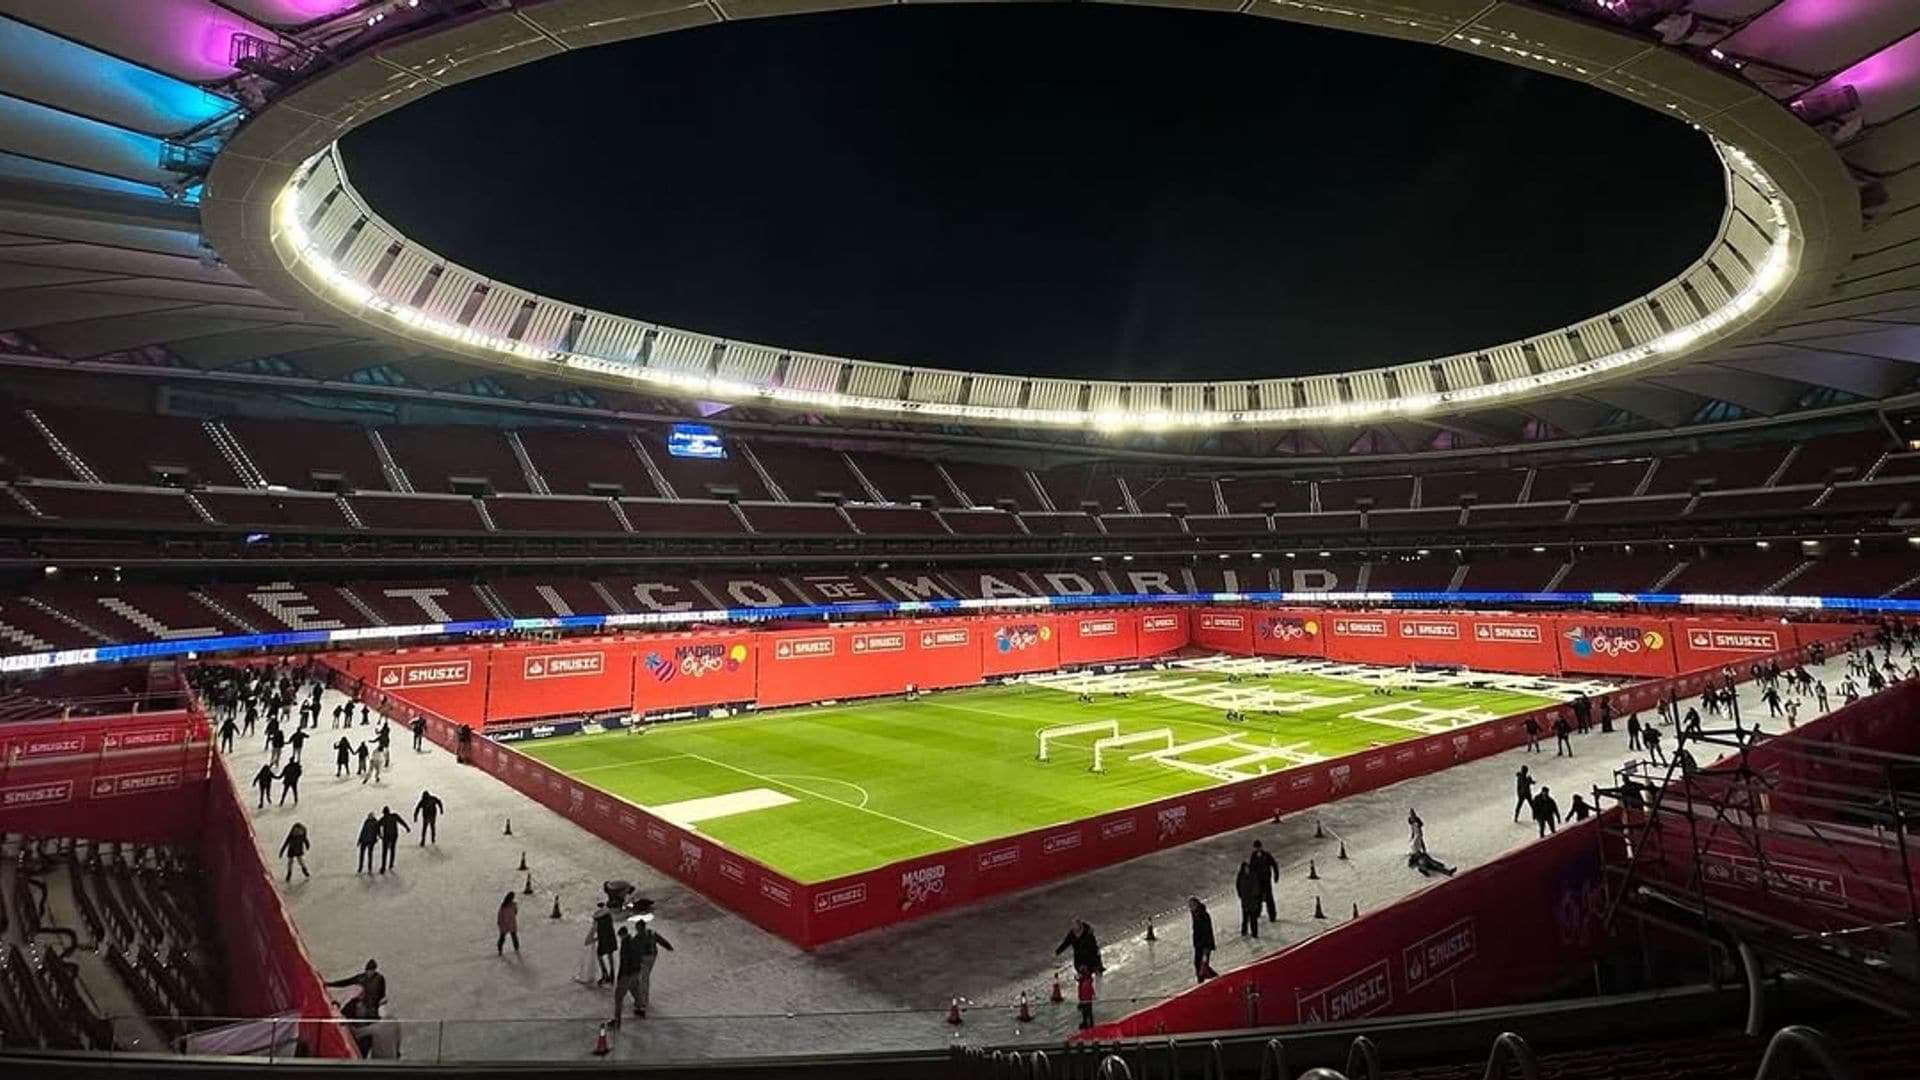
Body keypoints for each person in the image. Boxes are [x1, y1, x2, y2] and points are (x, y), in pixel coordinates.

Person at [630, 915, 673, 1017]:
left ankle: (642, 1004)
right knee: (645, 979)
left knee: (643, 980)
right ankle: (644, 1000)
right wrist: (668, 946)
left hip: (644, 960)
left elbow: (633, 951)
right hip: (652, 957)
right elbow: (661, 940)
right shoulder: (651, 933)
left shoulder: (637, 938)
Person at [611, 927, 641, 1024]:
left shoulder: (625, 944)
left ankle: (617, 1019)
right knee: (634, 990)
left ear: (622, 935)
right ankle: (640, 1008)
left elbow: (624, 962)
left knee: (618, 997)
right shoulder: (634, 942)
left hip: (627, 974)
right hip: (635, 972)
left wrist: (620, 977)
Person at [1249, 840, 1279, 922]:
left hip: (1266, 880)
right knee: (1258, 897)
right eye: (1256, 848)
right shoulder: (1253, 856)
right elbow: (1251, 868)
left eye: (1258, 847)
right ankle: (1257, 912)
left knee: (1269, 897)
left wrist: (1276, 876)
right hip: (1258, 880)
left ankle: (1272, 916)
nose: (1258, 849)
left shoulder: (1266, 855)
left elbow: (1274, 864)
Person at [1188, 897, 1216, 983]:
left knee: (1202, 965)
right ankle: (1207, 979)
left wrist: (1206, 946)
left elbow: (1207, 931)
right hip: (1199, 945)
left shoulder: (1202, 915)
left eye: (1192, 905)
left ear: (1197, 904)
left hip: (1204, 945)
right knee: (1200, 964)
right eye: (1190, 906)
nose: (1190, 908)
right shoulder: (1195, 914)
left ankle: (1206, 980)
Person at [376, 805, 409, 872]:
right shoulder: (394, 816)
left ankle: (383, 867)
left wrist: (379, 834)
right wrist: (407, 827)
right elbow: (401, 821)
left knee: (384, 852)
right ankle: (391, 864)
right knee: (392, 850)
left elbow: (377, 827)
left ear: (384, 812)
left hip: (386, 837)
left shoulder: (383, 819)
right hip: (394, 836)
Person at [591, 902, 617, 984]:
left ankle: (605, 974)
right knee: (610, 955)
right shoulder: (608, 915)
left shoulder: (597, 917)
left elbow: (594, 929)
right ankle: (612, 974)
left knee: (599, 956)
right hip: (610, 937)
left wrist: (592, 938)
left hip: (603, 939)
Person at [1234, 862, 1260, 938]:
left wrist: (1255, 895)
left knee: (1253, 917)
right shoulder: (1241, 877)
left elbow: (1256, 886)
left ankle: (1254, 932)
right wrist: (1241, 895)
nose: (1247, 869)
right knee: (1245, 916)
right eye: (1245, 868)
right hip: (1245, 899)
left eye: (1247, 868)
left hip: (1252, 900)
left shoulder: (1253, 875)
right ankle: (1244, 931)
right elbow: (1238, 886)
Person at [1076, 965, 1097, 1031]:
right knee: (1087, 1013)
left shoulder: (1085, 982)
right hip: (1086, 999)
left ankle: (1088, 1024)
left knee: (1087, 1012)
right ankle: (1089, 1024)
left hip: (1085, 999)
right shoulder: (1085, 981)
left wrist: (1082, 1001)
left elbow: (1086, 991)